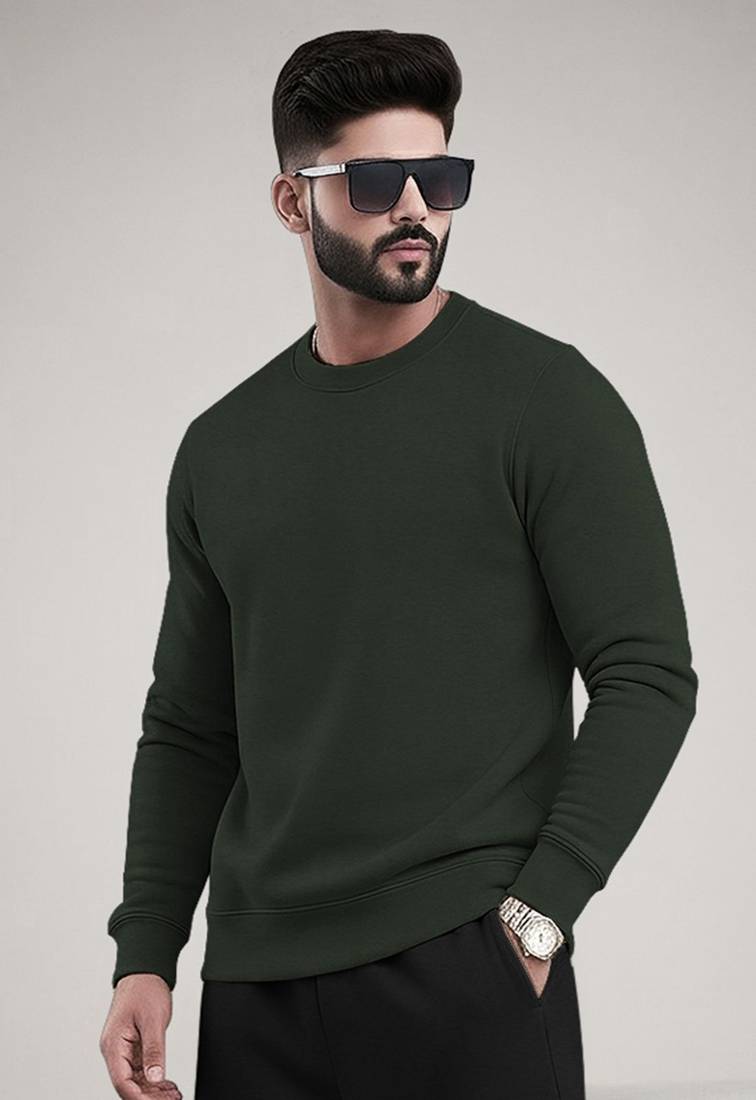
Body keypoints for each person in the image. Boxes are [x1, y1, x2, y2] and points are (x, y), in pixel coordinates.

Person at [99, 28, 698, 1100]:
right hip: (257, 988)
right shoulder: (223, 448)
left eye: (441, 177)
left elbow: (647, 673)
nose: (417, 206)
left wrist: (541, 912)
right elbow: (191, 723)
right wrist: (145, 950)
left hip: (467, 967)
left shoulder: (546, 402)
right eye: (377, 181)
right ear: (293, 202)